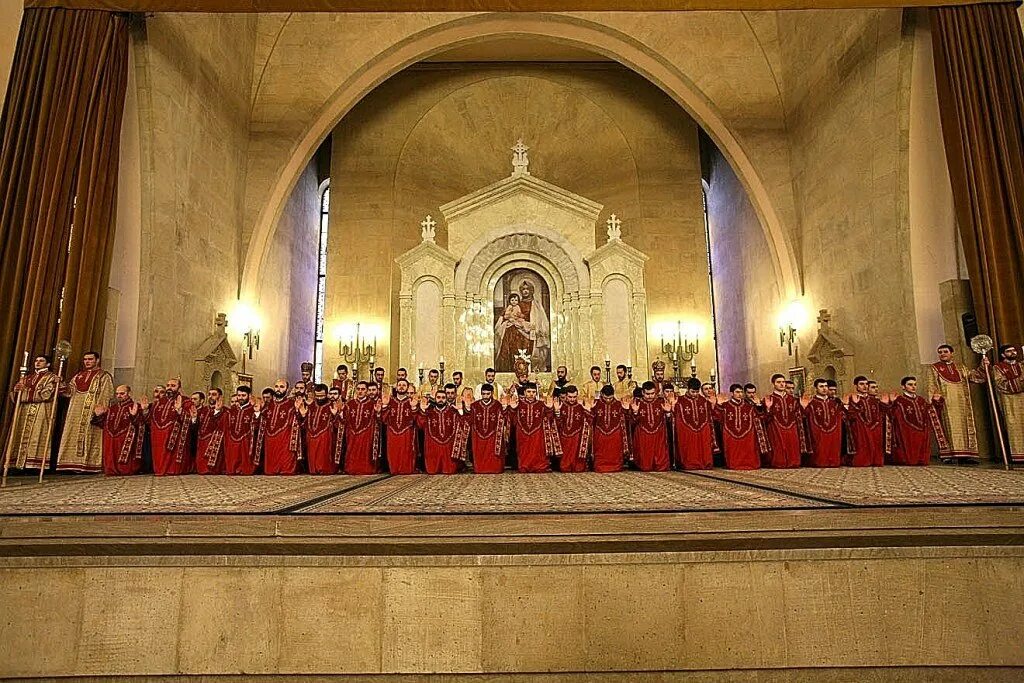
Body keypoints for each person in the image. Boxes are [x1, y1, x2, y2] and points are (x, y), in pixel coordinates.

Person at [56, 350, 114, 473]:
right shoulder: (78, 376)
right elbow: (69, 392)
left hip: (92, 410)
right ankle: (71, 464)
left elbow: (106, 393)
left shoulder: (104, 376)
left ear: (97, 360)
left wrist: (100, 409)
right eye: (85, 359)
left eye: (90, 359)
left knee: (90, 435)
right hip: (75, 411)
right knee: (72, 433)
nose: (87, 362)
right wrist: (61, 384)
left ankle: (89, 465)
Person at [927, 344, 983, 462]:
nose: (942, 354)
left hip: (962, 401)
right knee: (949, 426)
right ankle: (948, 454)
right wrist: (935, 398)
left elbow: (973, 377)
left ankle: (967, 454)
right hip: (947, 403)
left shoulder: (960, 367)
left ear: (952, 353)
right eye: (940, 352)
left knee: (965, 426)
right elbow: (931, 384)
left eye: (945, 351)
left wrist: (984, 366)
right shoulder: (935, 368)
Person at [5, 355, 58, 471]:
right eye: (36, 361)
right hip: (24, 410)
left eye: (41, 361)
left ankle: (33, 465)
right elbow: (15, 396)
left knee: (37, 435)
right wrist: (16, 391)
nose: (38, 363)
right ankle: (17, 464)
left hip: (41, 410)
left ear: (48, 364)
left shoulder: (52, 378)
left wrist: (26, 391)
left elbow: (46, 394)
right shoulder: (26, 377)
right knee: (19, 433)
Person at [888, 376, 950, 465]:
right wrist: (892, 403)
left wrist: (936, 402)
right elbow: (892, 416)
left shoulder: (921, 400)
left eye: (915, 384)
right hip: (907, 431)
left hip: (922, 429)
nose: (913, 387)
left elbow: (931, 412)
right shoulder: (899, 401)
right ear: (903, 386)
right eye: (910, 385)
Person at [979, 345, 1023, 463]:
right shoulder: (998, 368)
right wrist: (1020, 381)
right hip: (1010, 400)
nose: (1012, 353)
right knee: (1015, 426)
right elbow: (1000, 384)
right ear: (1003, 354)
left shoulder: (1021, 365)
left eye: (1014, 350)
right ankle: (1018, 455)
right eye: (1009, 351)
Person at [91, 384, 144, 476]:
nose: (119, 396)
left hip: (126, 436)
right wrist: (98, 415)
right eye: (117, 394)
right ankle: (111, 470)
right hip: (111, 437)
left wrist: (134, 415)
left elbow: (140, 423)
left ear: (129, 393)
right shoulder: (112, 408)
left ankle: (125, 470)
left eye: (122, 393)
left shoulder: (135, 406)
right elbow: (102, 424)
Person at [144, 377, 194, 476]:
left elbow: (191, 419)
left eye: (173, 386)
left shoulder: (186, 401)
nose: (169, 388)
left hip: (175, 435)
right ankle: (158, 470)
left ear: (179, 388)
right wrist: (145, 411)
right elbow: (150, 419)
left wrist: (180, 411)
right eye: (168, 385)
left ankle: (172, 470)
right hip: (158, 435)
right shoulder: (159, 402)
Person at [417, 385, 469, 474]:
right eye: (438, 397)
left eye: (443, 398)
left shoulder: (453, 412)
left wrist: (460, 411)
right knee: (432, 471)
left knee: (450, 471)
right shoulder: (430, 412)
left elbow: (464, 424)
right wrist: (422, 411)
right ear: (435, 399)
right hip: (433, 444)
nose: (441, 400)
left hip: (448, 445)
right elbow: (421, 424)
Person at [713, 384, 767, 470]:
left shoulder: (749, 406)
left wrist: (759, 406)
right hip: (730, 432)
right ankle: (734, 464)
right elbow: (716, 417)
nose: (740, 394)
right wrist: (718, 405)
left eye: (741, 392)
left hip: (747, 432)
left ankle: (748, 463)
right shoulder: (725, 406)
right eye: (737, 392)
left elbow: (760, 417)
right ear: (732, 393)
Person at [668, 377, 717, 470]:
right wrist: (673, 406)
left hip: (702, 428)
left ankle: (705, 463)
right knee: (689, 448)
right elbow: (674, 415)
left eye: (696, 392)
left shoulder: (704, 400)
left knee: (703, 446)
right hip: (687, 429)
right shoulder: (680, 400)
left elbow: (711, 415)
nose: (695, 394)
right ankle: (689, 463)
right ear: (688, 389)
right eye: (692, 392)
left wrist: (713, 405)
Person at [507, 382, 555, 473]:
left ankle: (538, 466)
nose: (531, 394)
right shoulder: (518, 404)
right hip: (522, 432)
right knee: (523, 450)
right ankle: (524, 466)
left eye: (533, 392)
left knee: (538, 450)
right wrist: (512, 409)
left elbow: (549, 419)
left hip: (538, 432)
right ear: (524, 393)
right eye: (528, 391)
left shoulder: (541, 404)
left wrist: (549, 408)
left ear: (536, 393)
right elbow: (511, 420)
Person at [259, 379, 304, 475]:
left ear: (287, 389)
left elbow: (299, 421)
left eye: (282, 387)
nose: (278, 389)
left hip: (285, 437)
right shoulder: (268, 404)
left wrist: (297, 409)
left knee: (286, 468)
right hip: (270, 437)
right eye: (276, 386)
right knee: (270, 470)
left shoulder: (291, 403)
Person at [762, 373, 807, 468]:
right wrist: (768, 409)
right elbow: (764, 417)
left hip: (791, 426)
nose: (782, 384)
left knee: (792, 445)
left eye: (783, 382)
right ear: (773, 384)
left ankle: (793, 462)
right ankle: (779, 463)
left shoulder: (793, 399)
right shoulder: (769, 399)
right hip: (775, 425)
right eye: (779, 382)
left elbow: (799, 415)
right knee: (778, 446)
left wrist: (803, 407)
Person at [378, 378, 419, 475]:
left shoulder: (411, 401)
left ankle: (406, 470)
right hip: (392, 430)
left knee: (406, 451)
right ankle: (394, 469)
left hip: (407, 430)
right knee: (393, 451)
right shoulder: (391, 400)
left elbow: (415, 419)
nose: (401, 387)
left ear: (407, 388)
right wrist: (384, 405)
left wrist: (413, 407)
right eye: (399, 384)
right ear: (396, 387)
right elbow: (383, 419)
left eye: (404, 385)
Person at [630, 381, 672, 471]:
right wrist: (635, 412)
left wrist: (668, 412)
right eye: (647, 394)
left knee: (660, 460)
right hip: (643, 433)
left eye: (652, 393)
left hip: (659, 433)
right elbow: (632, 422)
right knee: (645, 464)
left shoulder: (661, 402)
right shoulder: (637, 403)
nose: (650, 396)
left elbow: (670, 421)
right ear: (642, 393)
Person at [466, 383, 508, 473]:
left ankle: (494, 468)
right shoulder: (474, 406)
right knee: (479, 453)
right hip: (478, 435)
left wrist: (505, 408)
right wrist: (466, 408)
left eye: (487, 394)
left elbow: (503, 419)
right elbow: (470, 420)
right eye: (483, 394)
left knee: (492, 455)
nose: (485, 396)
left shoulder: (497, 405)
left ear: (492, 393)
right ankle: (480, 469)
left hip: (493, 434)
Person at [847, 375, 886, 467]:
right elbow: (849, 415)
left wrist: (887, 404)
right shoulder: (852, 399)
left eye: (866, 384)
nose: (865, 386)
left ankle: (875, 460)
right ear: (856, 386)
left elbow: (884, 412)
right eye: (861, 384)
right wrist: (855, 405)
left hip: (875, 427)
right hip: (860, 428)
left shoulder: (874, 400)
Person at [342, 381, 380, 474]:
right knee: (351, 450)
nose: (360, 391)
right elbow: (344, 418)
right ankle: (350, 468)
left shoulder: (373, 404)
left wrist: (378, 412)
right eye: (358, 389)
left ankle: (366, 468)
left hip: (367, 432)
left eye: (363, 389)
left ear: (367, 391)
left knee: (365, 451)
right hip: (352, 432)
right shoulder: (349, 404)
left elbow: (378, 420)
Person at [804, 378, 843, 468]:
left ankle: (834, 462)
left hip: (833, 429)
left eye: (826, 386)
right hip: (818, 430)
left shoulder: (834, 402)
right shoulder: (812, 403)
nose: (824, 388)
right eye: (821, 386)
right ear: (816, 389)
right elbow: (805, 416)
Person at [591, 385, 630, 472]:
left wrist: (627, 410)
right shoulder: (596, 404)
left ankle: (616, 466)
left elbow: (627, 420)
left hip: (615, 432)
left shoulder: (619, 404)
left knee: (614, 451)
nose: (608, 400)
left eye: (610, 398)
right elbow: (591, 419)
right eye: (606, 398)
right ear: (601, 394)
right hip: (600, 432)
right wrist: (591, 409)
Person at [304, 383, 340, 475]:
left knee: (323, 455)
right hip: (311, 434)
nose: (319, 398)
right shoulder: (311, 405)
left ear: (327, 394)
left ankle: (324, 469)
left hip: (325, 434)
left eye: (322, 396)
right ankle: (313, 469)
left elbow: (339, 424)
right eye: (317, 396)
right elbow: (305, 419)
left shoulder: (332, 405)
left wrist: (335, 414)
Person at [224, 386, 259, 475]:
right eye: (239, 395)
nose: (241, 398)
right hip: (233, 438)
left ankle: (244, 469)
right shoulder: (232, 410)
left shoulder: (252, 409)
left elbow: (258, 426)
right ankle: (233, 469)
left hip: (246, 438)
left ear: (249, 396)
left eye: (243, 395)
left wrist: (257, 414)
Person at [554, 387, 590, 472]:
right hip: (564, 434)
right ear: (566, 396)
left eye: (574, 397)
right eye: (570, 397)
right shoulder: (561, 406)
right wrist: (557, 412)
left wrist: (587, 410)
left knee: (576, 455)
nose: (572, 399)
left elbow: (589, 420)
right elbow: (556, 422)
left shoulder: (580, 407)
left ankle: (577, 466)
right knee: (564, 462)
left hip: (577, 434)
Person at [194, 388, 226, 474]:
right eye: (209, 394)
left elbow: (221, 426)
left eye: (214, 394)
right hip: (201, 440)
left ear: (220, 397)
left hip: (214, 440)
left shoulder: (225, 410)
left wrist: (217, 411)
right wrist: (194, 418)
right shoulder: (203, 410)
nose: (210, 397)